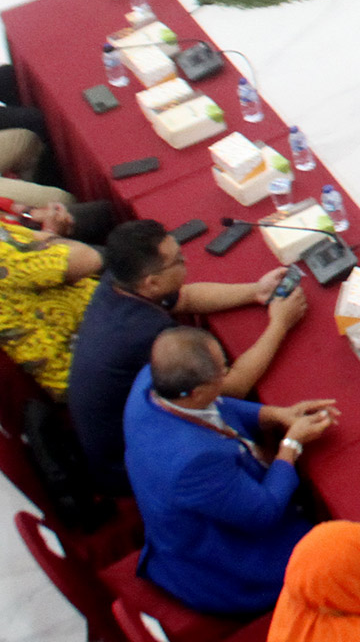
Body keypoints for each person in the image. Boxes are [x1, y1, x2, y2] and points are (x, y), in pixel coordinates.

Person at [69, 219, 308, 497]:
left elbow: (185, 298)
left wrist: (256, 291)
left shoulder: (121, 281)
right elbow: (230, 386)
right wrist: (280, 324)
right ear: (152, 282)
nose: (186, 261)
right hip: (132, 465)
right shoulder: (149, 335)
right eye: (178, 261)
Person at [124, 327, 338, 614]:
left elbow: (216, 407)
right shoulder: (192, 462)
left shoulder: (153, 383)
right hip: (226, 565)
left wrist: (275, 414)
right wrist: (291, 443)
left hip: (207, 511)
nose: (227, 375)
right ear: (196, 392)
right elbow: (264, 513)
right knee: (345, 551)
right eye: (222, 373)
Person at [0, 220, 101, 400]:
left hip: (99, 311)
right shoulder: (6, 266)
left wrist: (46, 243)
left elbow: (45, 237)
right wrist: (46, 245)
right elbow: (89, 258)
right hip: (90, 371)